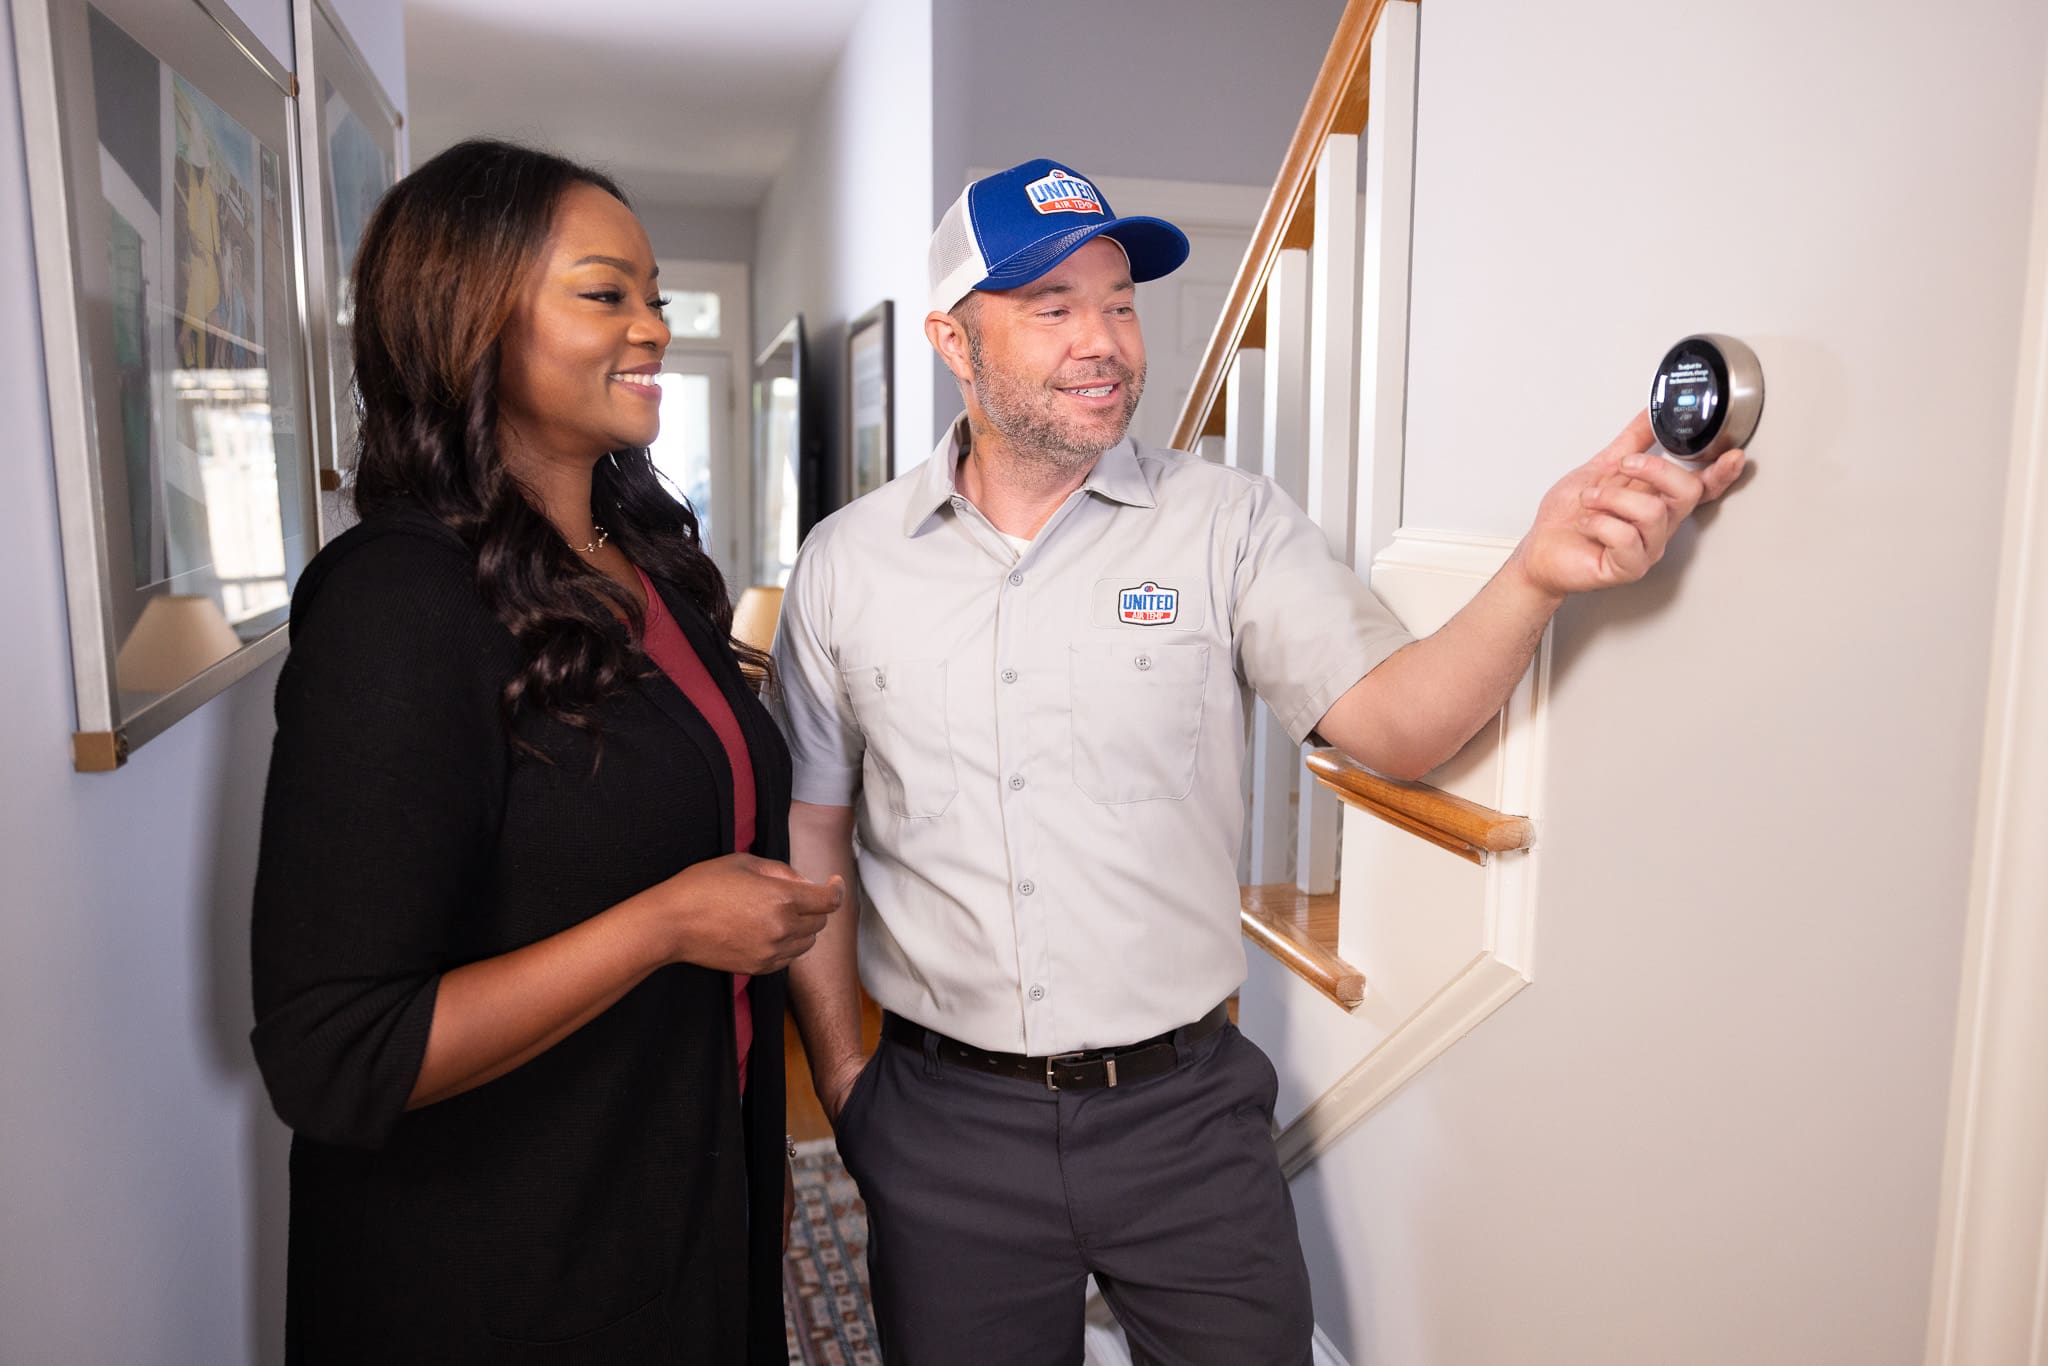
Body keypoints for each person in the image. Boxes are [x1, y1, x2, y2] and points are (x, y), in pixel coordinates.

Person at [771, 158, 1746, 1364]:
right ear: (951, 342)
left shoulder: (1227, 524)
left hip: (1183, 1119)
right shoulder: (845, 565)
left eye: (1119, 302)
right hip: (943, 1120)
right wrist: (847, 1079)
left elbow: (1392, 723)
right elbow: (811, 834)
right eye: (1052, 307)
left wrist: (1537, 570)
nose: (1105, 342)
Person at [249, 139, 842, 1365]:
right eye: (604, 292)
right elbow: (336, 1051)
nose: (653, 329)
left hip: (677, 1191)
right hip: (506, 1266)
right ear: (469, 318)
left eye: (655, 297)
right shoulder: (396, 606)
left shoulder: (649, 565)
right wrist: (665, 923)